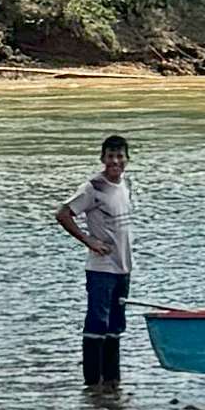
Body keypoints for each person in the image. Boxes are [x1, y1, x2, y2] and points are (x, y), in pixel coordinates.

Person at [53, 134, 136, 386]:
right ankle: (92, 385)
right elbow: (63, 214)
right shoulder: (92, 187)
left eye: (120, 156)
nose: (115, 161)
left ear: (127, 159)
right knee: (97, 324)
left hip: (123, 266)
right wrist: (89, 241)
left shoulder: (126, 184)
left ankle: (112, 385)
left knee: (116, 327)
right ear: (102, 159)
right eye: (110, 156)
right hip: (101, 268)